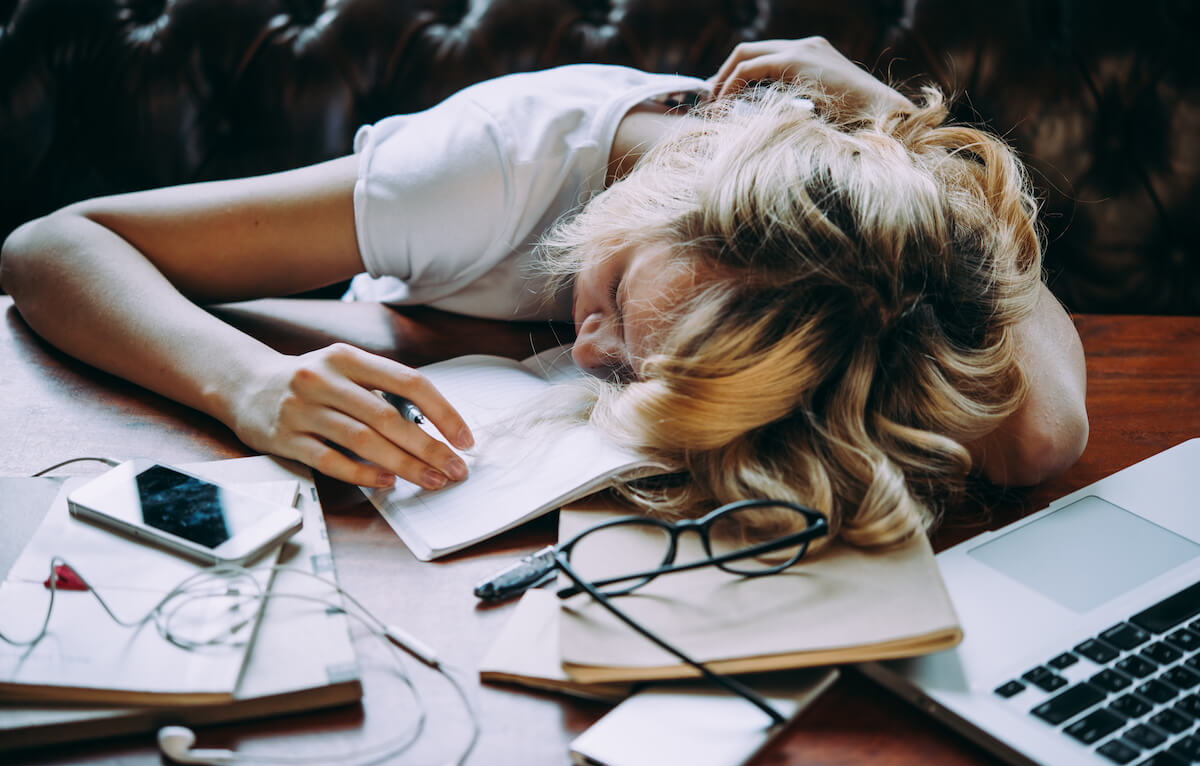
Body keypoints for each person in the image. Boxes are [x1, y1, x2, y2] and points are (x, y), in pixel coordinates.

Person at [0, 38, 1087, 547]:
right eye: (610, 290)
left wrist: (911, 140)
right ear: (680, 172)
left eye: (646, 367)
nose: (591, 352)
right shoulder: (484, 170)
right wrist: (246, 384)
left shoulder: (845, 292)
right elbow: (52, 246)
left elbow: (1041, 439)